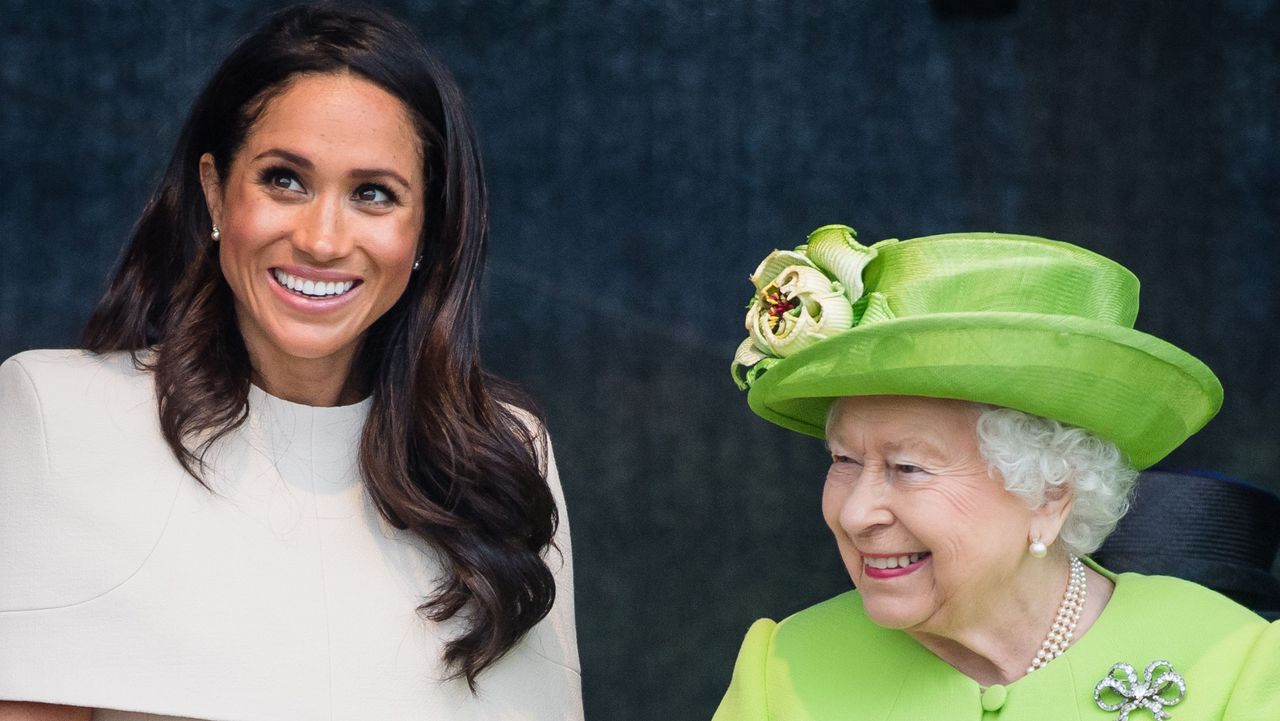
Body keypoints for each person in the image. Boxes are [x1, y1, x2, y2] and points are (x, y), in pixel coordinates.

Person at [0, 4, 581, 720]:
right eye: (285, 179)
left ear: (428, 227)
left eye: (373, 193)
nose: (323, 238)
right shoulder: (60, 419)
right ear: (215, 190)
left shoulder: (503, 459)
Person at [716, 225, 1280, 719]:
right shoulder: (785, 668)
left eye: (908, 467)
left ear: (1049, 494)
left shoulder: (1236, 665)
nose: (856, 513)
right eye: (844, 460)